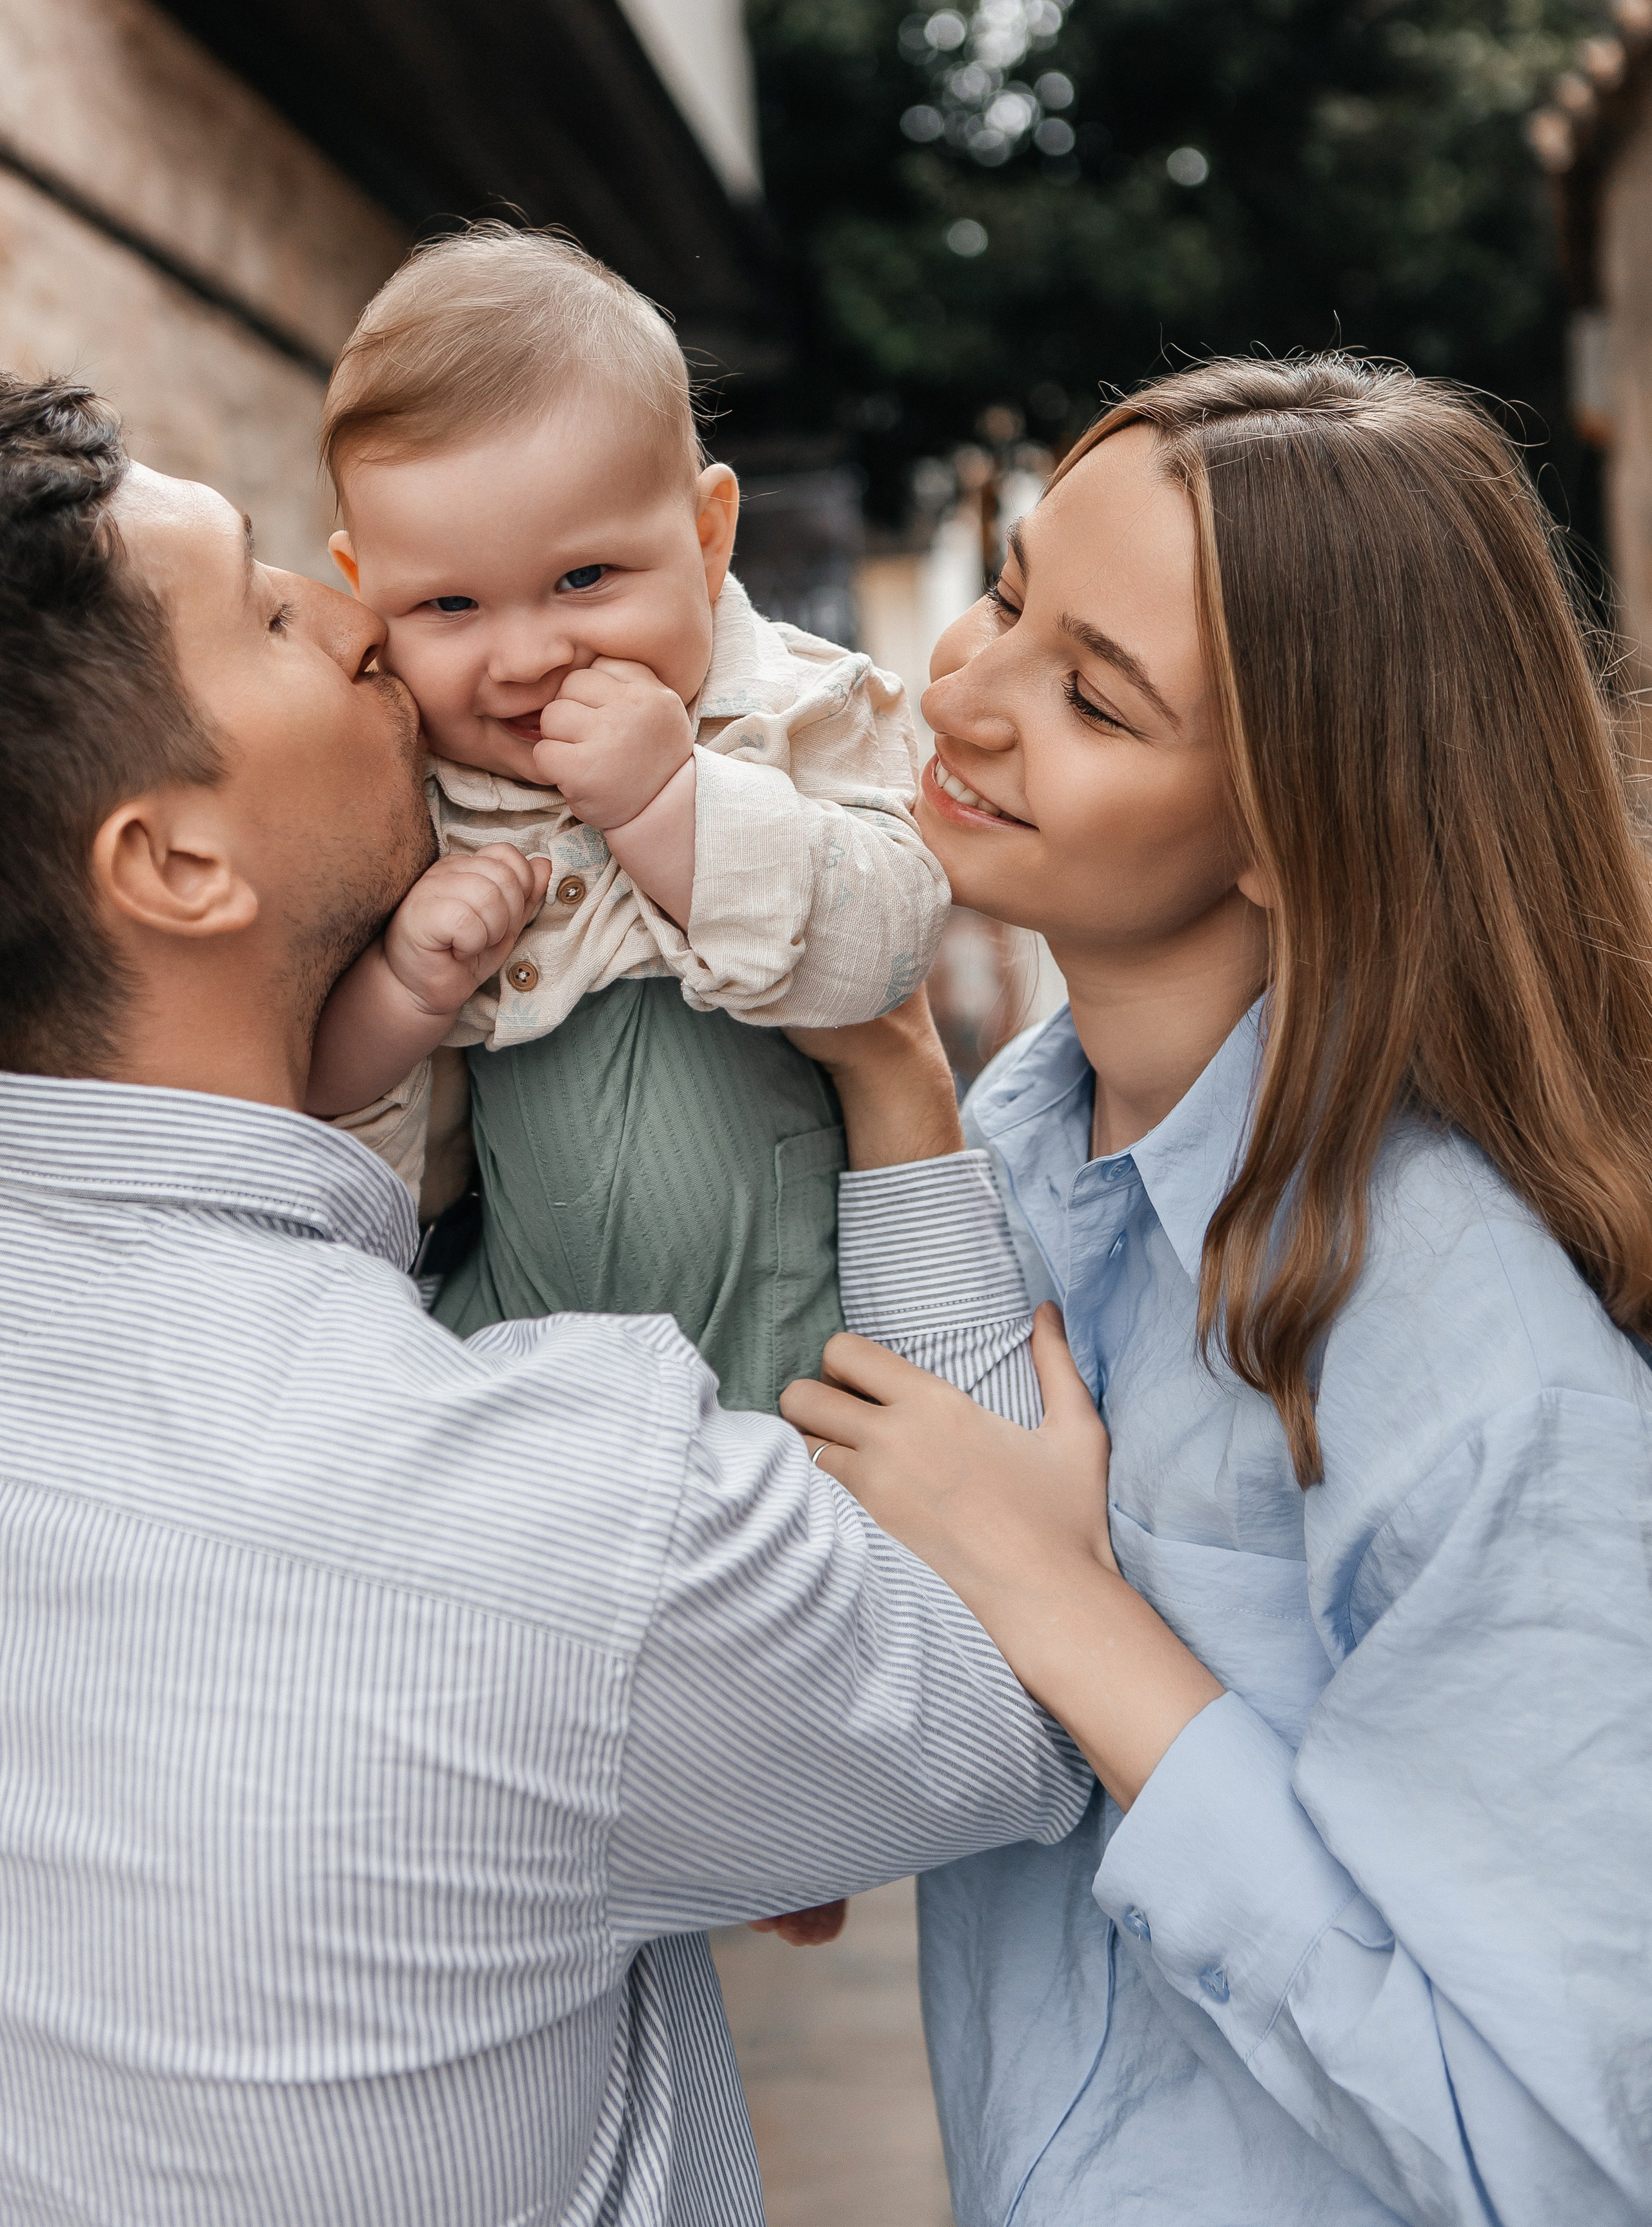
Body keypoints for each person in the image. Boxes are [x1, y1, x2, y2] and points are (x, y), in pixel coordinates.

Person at [0, 373, 1091, 2226]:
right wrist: (898, 1094)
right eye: (275, 607)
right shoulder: (545, 1516)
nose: (367, 622)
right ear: (178, 864)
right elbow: (1024, 1693)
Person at [785, 356, 1652, 2226]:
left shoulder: (1477, 1363)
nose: (968, 689)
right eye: (1010, 595)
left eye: (1094, 694)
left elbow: (1558, 2167)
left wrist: (1057, 1600)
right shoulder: (985, 1176)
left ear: (1291, 824)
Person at [307, 223, 949, 1415]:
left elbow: (891, 945)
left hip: (802, 1342)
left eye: (586, 579)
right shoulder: (401, 793)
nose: (529, 655)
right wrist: (402, 987)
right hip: (523, 1348)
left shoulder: (797, 710)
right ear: (364, 592)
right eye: (449, 603)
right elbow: (331, 1115)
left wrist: (673, 804)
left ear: (708, 537)